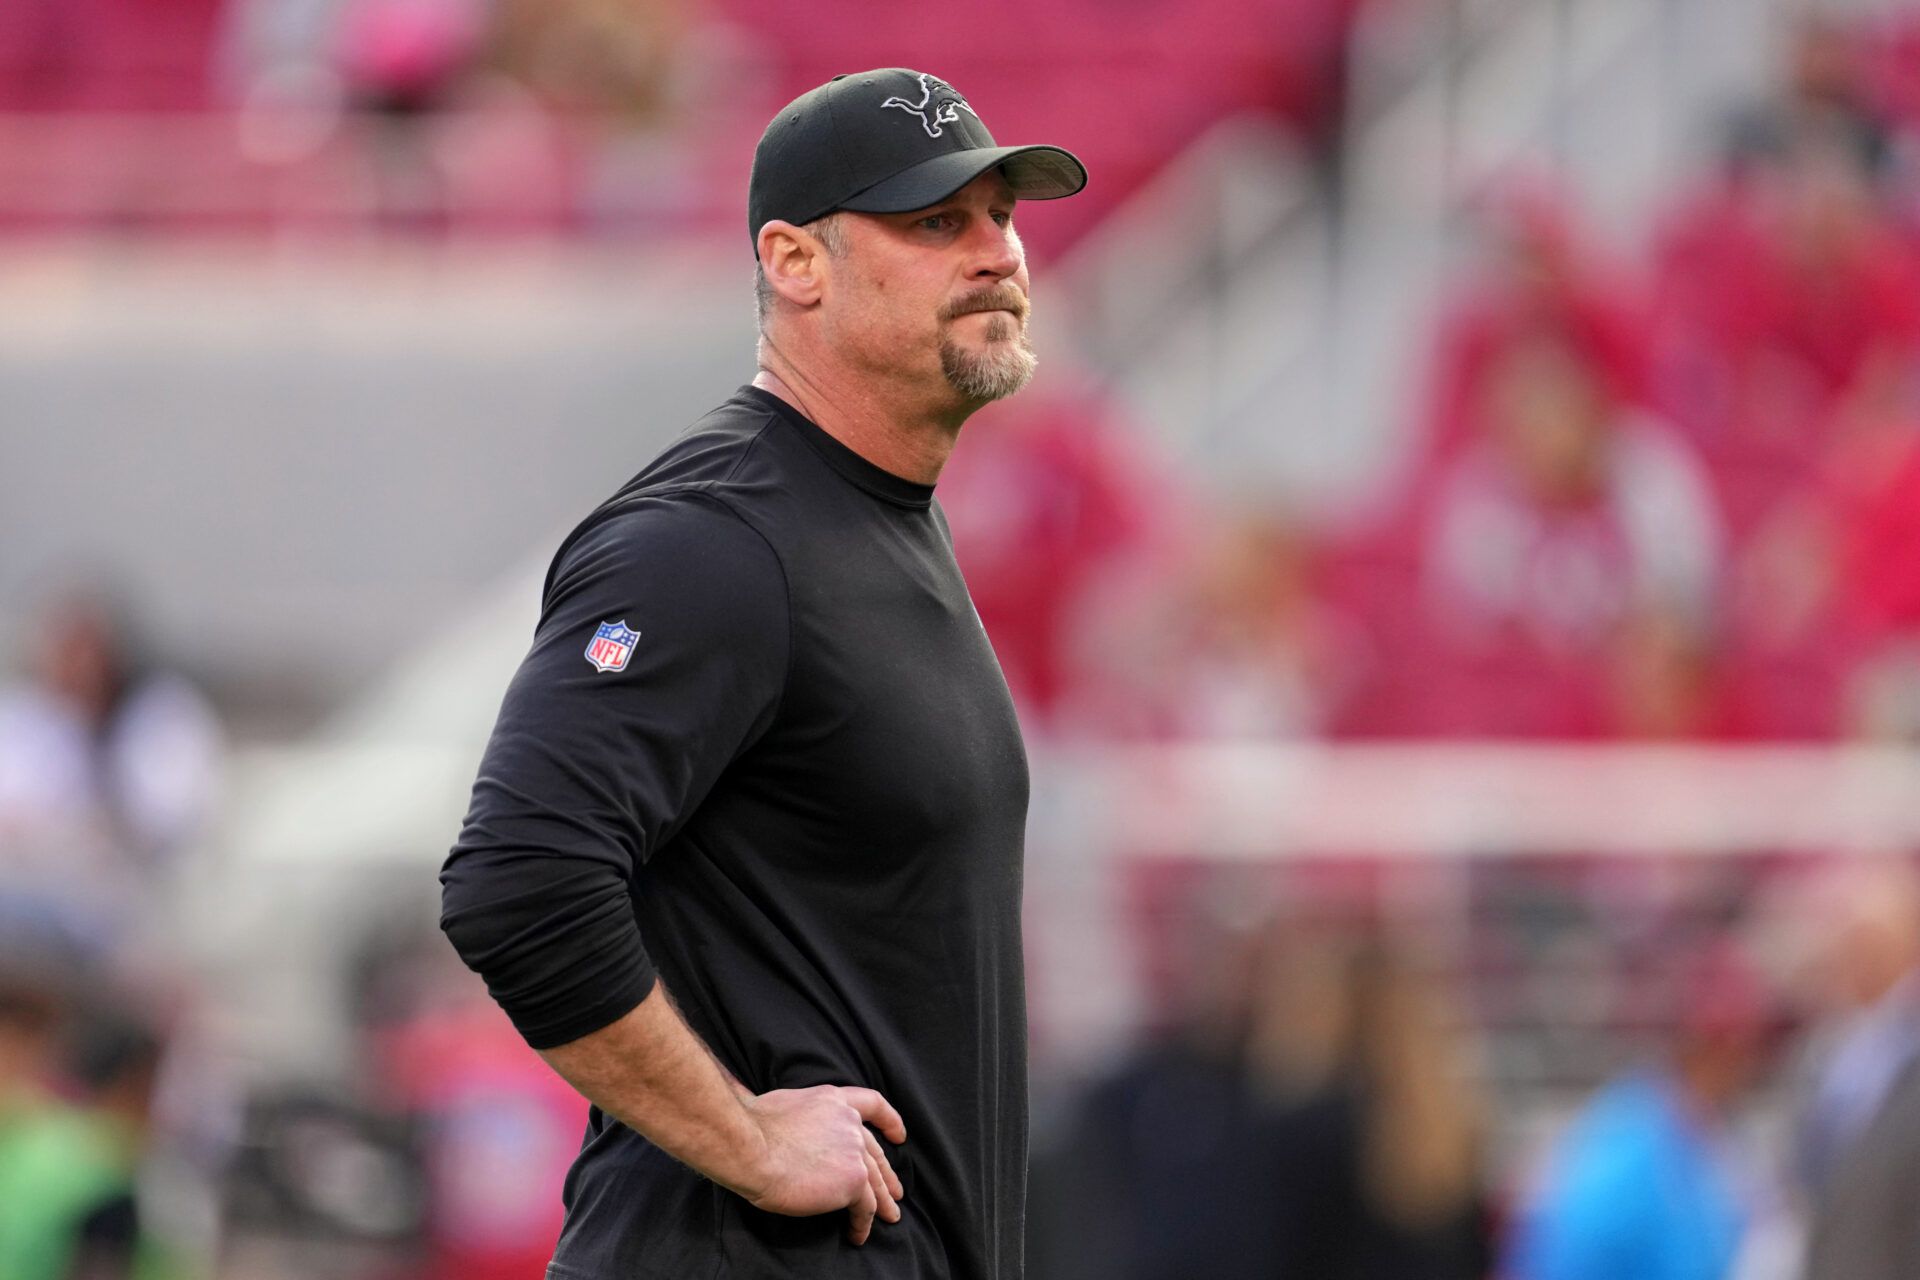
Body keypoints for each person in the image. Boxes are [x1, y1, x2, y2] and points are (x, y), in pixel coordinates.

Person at [439, 67, 1086, 1279]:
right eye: (937, 220)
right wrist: (749, 1139)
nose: (998, 252)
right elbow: (517, 879)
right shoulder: (711, 540)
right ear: (795, 262)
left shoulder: (878, 519)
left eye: (1003, 214)